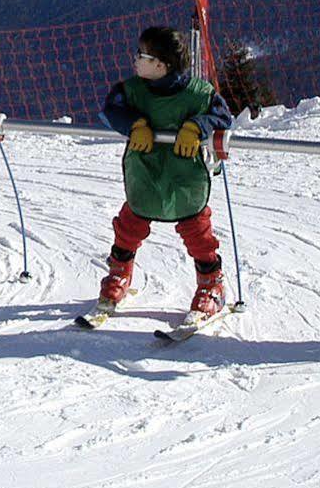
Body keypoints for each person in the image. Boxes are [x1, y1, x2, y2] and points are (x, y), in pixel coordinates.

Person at [93, 26, 235, 320]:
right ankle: (120, 273)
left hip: (184, 174)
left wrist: (197, 126)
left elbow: (223, 116)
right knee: (131, 222)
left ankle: (212, 283)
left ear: (160, 65)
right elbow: (109, 111)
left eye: (141, 55)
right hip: (146, 170)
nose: (135, 60)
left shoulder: (199, 94)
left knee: (196, 228)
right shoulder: (130, 91)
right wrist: (135, 124)